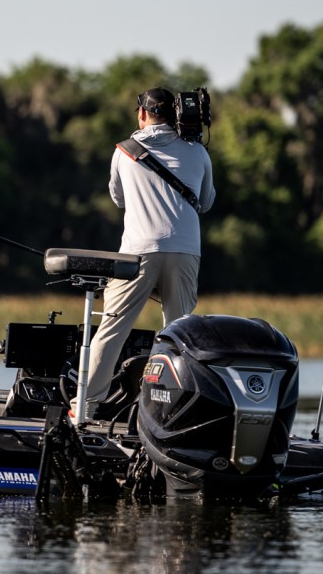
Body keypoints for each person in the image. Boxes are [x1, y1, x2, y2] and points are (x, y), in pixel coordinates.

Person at [78, 87, 215, 417]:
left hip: (136, 254)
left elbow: (118, 199)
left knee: (112, 331)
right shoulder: (198, 152)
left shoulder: (124, 151)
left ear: (142, 114)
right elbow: (207, 202)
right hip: (185, 251)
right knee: (179, 335)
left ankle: (86, 407)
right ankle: (171, 412)